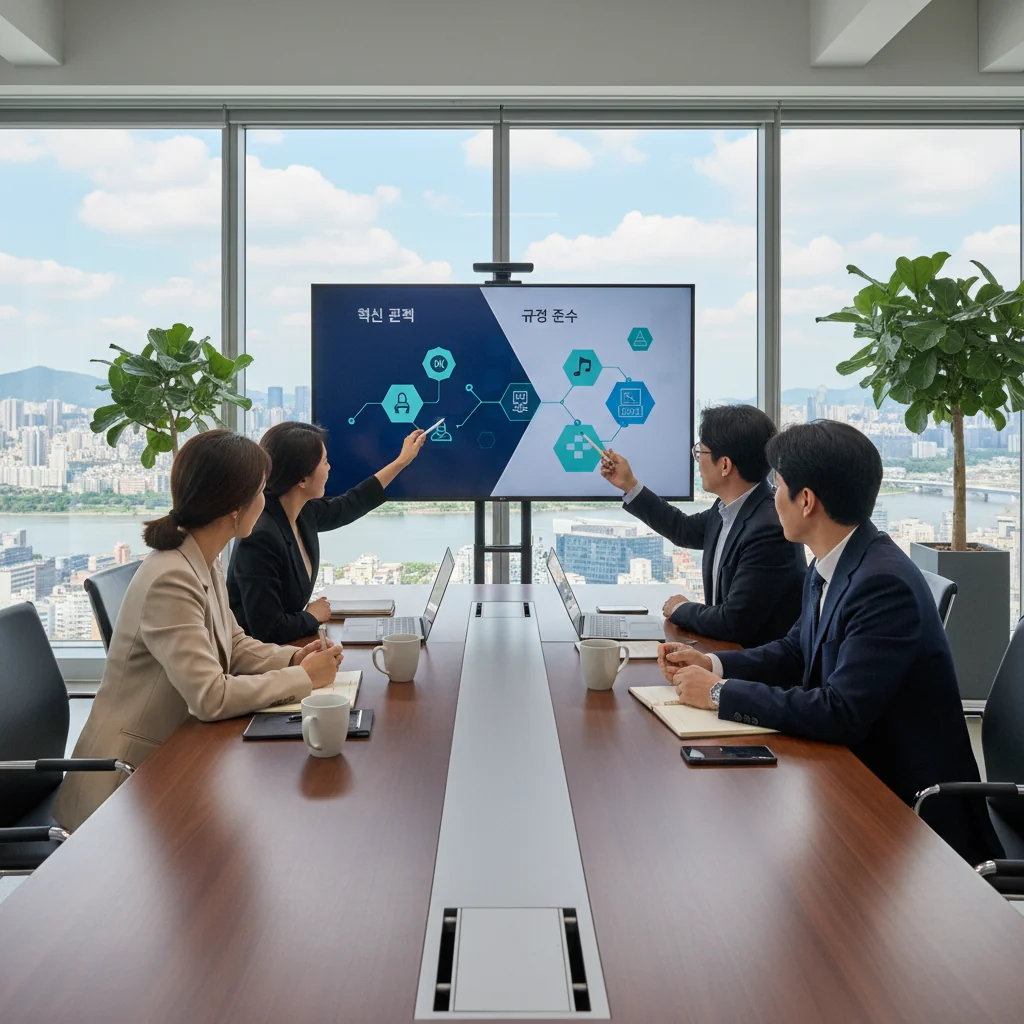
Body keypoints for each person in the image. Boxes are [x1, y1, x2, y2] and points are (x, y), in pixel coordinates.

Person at [659, 420, 1001, 865]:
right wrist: (713, 666)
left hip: (906, 816)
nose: (771, 498)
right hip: (850, 778)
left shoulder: (882, 584)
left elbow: (842, 712)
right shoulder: (834, 560)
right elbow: (797, 648)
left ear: (806, 501)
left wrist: (720, 695)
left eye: (777, 486)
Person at [52, 430, 343, 832]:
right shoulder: (170, 578)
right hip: (124, 787)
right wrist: (300, 679)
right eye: (260, 490)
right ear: (234, 510)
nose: (266, 500)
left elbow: (234, 644)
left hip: (170, 764)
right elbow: (210, 696)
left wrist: (293, 657)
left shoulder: (203, 559)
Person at [601, 404, 805, 647]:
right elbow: (683, 529)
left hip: (754, 671)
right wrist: (629, 484)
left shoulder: (769, 529)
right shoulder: (729, 508)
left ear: (725, 465)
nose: (697, 461)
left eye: (701, 452)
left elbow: (733, 622)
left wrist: (680, 608)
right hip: (727, 654)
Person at [228, 422, 426, 644]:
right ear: (302, 479)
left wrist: (401, 462)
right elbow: (268, 629)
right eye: (324, 462)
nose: (329, 467)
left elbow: (350, 504)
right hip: (259, 665)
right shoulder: (260, 536)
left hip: (289, 648)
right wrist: (311, 616)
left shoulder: (302, 513)